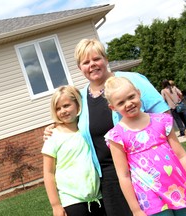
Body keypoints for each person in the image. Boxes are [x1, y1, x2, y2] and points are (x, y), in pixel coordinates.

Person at [44, 38, 170, 216]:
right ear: (80, 68)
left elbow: (164, 117)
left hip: (144, 170)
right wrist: (53, 127)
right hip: (108, 180)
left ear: (106, 59)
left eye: (96, 59)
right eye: (86, 62)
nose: (92, 65)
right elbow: (69, 119)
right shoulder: (81, 98)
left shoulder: (131, 80)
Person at [104, 76, 186, 216]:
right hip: (151, 198)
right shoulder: (116, 136)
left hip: (179, 187)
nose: (128, 103)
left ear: (138, 93)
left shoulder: (162, 120)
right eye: (121, 102)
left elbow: (181, 155)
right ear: (113, 107)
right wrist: (136, 209)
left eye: (131, 97)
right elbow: (123, 175)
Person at [41, 85, 105, 216]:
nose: (63, 111)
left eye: (66, 105)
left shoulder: (86, 130)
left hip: (98, 197)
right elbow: (48, 173)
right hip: (72, 201)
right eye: (58, 108)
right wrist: (56, 205)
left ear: (77, 104)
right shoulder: (53, 136)